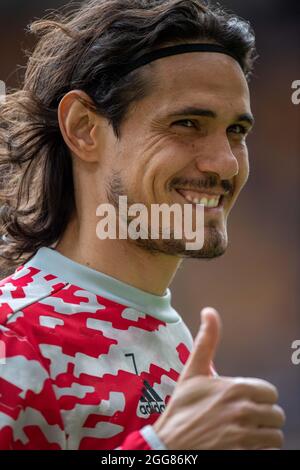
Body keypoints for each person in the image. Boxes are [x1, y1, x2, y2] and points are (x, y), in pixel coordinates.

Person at [0, 0, 285, 450]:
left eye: (236, 132)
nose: (226, 164)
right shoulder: (13, 338)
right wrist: (161, 449)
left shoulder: (176, 342)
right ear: (83, 128)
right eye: (187, 123)